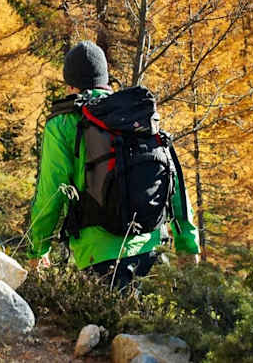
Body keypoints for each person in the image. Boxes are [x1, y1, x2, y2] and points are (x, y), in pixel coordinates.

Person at [28, 40, 199, 289]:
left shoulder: (63, 123)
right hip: (151, 247)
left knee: (105, 314)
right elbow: (174, 182)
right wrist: (188, 244)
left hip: (99, 254)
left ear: (71, 85)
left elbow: (50, 193)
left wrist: (38, 249)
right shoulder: (138, 116)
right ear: (106, 80)